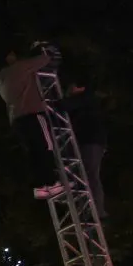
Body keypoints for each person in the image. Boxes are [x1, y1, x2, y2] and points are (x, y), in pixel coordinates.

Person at [0, 42, 63, 199]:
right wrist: (47, 49)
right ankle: (52, 183)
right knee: (46, 146)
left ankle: (40, 186)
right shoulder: (20, 67)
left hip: (18, 120)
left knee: (33, 152)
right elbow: (45, 59)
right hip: (33, 114)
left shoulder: (1, 79)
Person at [56, 81, 108, 217]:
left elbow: (63, 105)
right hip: (87, 141)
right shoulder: (85, 101)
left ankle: (97, 211)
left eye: (72, 88)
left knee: (90, 175)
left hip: (91, 141)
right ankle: (85, 208)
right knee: (82, 175)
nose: (69, 90)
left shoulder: (87, 98)